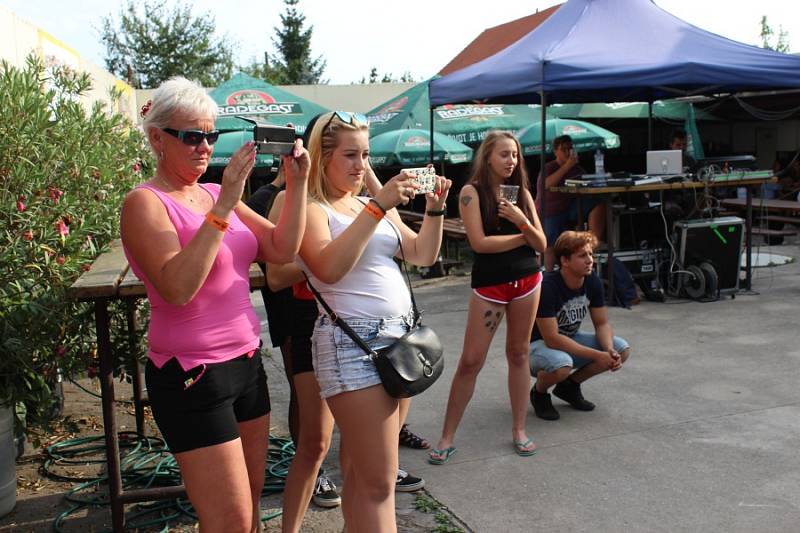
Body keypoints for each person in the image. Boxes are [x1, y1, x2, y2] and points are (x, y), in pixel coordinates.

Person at [120, 76, 309, 533]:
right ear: (157, 138)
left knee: (247, 518)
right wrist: (224, 204)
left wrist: (299, 185)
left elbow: (282, 249)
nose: (204, 146)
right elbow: (178, 287)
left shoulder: (209, 192)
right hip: (192, 372)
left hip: (245, 362)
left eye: (211, 135)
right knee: (230, 521)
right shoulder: (145, 203)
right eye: (192, 136)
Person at [297, 111, 451, 532]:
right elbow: (328, 269)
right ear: (322, 156)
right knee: (382, 483)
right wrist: (380, 205)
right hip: (354, 346)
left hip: (399, 345)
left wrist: (434, 210)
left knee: (367, 481)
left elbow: (421, 254)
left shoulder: (366, 204)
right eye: (349, 155)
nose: (359, 165)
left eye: (364, 155)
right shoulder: (311, 209)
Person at [429, 131, 546, 465]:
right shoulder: (471, 192)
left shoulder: (522, 193)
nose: (511, 161)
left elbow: (541, 244)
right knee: (471, 360)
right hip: (490, 286)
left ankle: (519, 430)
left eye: (515, 155)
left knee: (519, 353)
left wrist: (522, 222)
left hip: (526, 281)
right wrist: (521, 236)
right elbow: (479, 244)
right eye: (504, 155)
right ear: (488, 157)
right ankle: (447, 437)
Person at [528, 231, 631, 421]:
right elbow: (551, 338)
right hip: (537, 345)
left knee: (621, 349)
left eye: (590, 254)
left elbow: (602, 323)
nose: (590, 260)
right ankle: (539, 393)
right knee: (562, 365)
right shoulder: (548, 286)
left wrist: (608, 350)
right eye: (583, 255)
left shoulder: (592, 281)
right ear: (565, 261)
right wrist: (596, 355)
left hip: (569, 338)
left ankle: (569, 386)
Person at [537, 135, 606, 270]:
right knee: (550, 245)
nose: (568, 152)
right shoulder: (549, 167)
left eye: (570, 148)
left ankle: (593, 243)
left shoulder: (577, 169)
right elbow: (546, 184)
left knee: (598, 202)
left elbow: (587, 184)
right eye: (564, 149)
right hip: (550, 210)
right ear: (556, 151)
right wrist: (566, 166)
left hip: (570, 208)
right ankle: (547, 276)